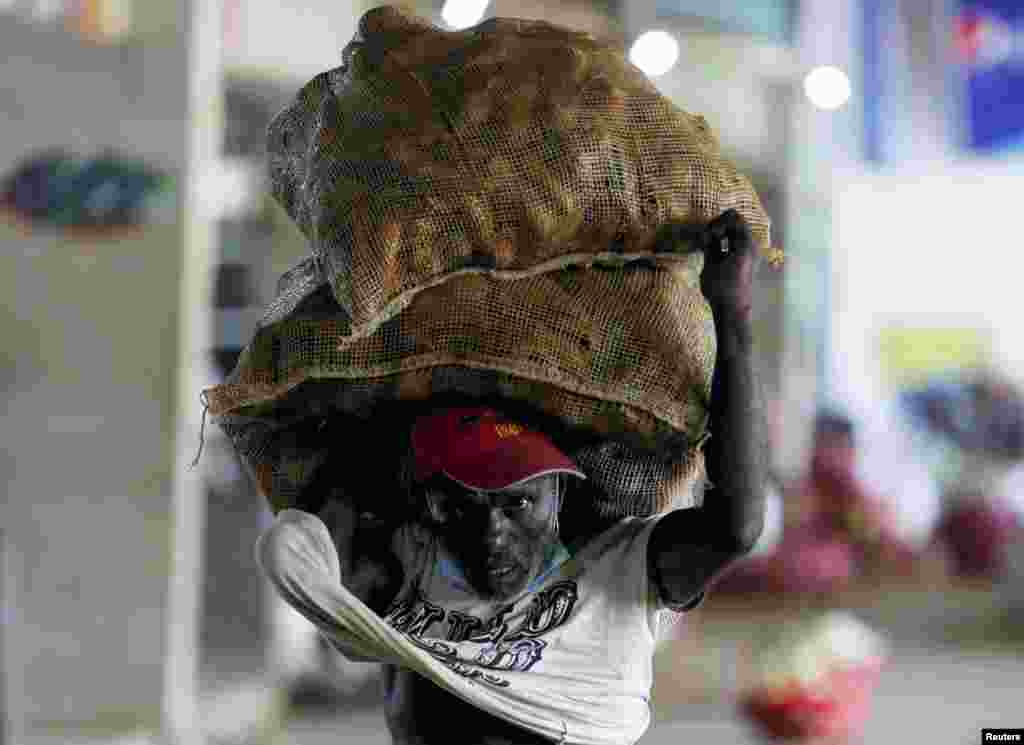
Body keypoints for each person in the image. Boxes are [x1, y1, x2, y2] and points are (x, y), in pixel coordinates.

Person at [256, 208, 766, 745]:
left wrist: (733, 313)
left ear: (561, 490)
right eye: (460, 506)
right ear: (428, 506)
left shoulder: (622, 572)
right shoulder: (406, 562)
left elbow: (736, 528)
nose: (491, 534)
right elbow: (301, 548)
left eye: (518, 504)